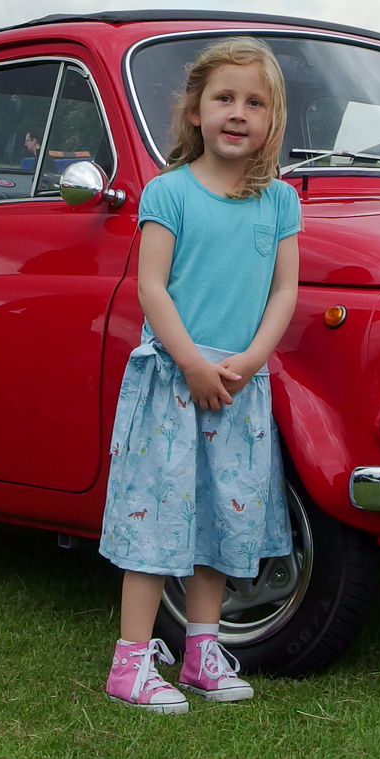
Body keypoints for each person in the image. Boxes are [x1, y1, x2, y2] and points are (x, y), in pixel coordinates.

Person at [100, 37, 302, 713]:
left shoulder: (280, 203)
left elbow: (283, 293)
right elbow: (151, 288)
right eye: (224, 98)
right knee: (156, 520)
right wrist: (191, 360)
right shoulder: (169, 192)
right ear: (194, 111)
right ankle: (130, 663)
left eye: (254, 102)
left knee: (225, 520)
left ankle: (202, 654)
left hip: (240, 387)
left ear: (272, 120)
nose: (237, 113)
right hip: (173, 380)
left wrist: (249, 362)